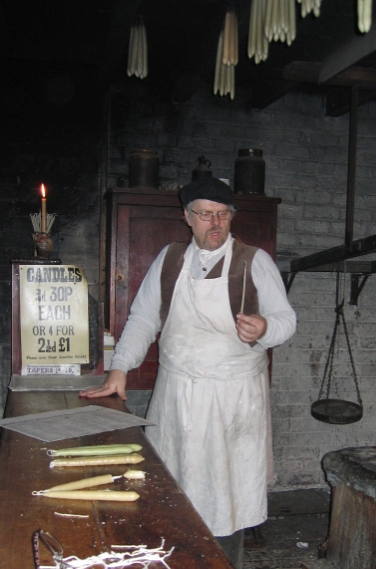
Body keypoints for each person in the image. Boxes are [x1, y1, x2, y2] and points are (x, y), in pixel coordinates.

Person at [80, 177, 296, 569]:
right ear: (187, 217)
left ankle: (222, 562)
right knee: (172, 488)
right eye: (205, 214)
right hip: (175, 394)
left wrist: (265, 328)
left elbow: (287, 321)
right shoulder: (170, 259)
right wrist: (120, 369)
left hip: (232, 398)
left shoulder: (253, 261)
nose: (215, 223)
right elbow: (144, 318)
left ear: (231, 217)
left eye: (222, 214)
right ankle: (171, 558)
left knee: (226, 496)